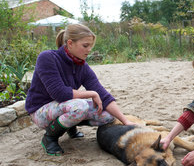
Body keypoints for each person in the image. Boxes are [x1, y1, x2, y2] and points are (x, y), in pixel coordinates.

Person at [25, 24, 136, 156]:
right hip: (40, 111)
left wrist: (125, 121)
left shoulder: (81, 66)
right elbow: (59, 93)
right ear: (70, 43)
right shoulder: (47, 58)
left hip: (64, 107)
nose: (89, 50)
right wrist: (91, 93)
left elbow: (103, 95)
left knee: (108, 115)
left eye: (91, 46)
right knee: (80, 106)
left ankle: (70, 125)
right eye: (85, 45)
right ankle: (50, 138)